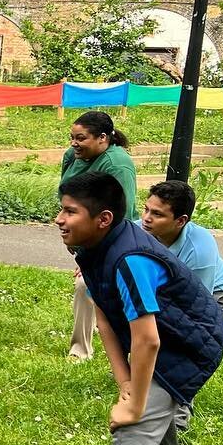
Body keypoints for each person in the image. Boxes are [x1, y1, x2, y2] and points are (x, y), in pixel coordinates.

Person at [54, 173, 223, 445]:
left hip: (190, 342)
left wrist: (133, 405)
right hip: (161, 333)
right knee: (143, 400)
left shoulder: (130, 259)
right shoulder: (93, 246)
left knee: (135, 424)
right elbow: (104, 317)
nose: (59, 220)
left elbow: (148, 341)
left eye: (70, 212)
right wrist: (125, 382)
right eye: (60, 210)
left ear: (103, 218)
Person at [58, 110, 137, 361]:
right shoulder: (72, 156)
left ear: (103, 138)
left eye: (81, 138)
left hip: (108, 240)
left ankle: (80, 351)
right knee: (91, 287)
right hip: (82, 234)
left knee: (86, 284)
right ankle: (97, 323)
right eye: (72, 137)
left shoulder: (117, 164)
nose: (74, 143)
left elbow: (124, 213)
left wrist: (93, 256)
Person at [141, 181, 223, 314]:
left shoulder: (199, 251)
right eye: (146, 209)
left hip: (215, 291)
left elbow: (200, 303)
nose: (146, 218)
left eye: (157, 214)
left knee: (194, 329)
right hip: (169, 282)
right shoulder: (138, 229)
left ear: (180, 221)